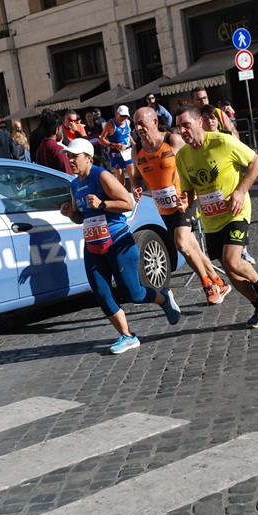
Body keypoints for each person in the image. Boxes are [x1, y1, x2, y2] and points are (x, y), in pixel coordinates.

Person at [60, 138, 181, 354]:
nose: (70, 160)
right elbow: (81, 218)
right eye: (68, 156)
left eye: (74, 156)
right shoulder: (74, 184)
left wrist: (103, 204)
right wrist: (71, 214)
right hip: (93, 244)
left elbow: (127, 202)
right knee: (101, 292)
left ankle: (163, 297)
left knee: (133, 293)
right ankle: (127, 336)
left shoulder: (102, 176)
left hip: (118, 241)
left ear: (88, 157)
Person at [175, 105, 258, 329]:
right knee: (230, 272)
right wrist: (185, 200)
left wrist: (241, 191)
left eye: (186, 124)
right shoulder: (182, 156)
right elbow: (190, 191)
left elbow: (256, 162)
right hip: (212, 219)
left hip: (236, 211)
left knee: (232, 260)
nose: (182, 130)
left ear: (199, 122)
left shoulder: (222, 142)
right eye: (179, 126)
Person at [131, 106, 231, 305]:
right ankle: (219, 282)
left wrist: (191, 193)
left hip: (184, 201)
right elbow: (135, 176)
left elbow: (190, 162)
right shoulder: (137, 149)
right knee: (192, 246)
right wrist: (136, 187)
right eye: (135, 124)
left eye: (142, 122)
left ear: (154, 122)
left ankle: (208, 285)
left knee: (182, 243)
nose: (138, 127)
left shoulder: (172, 140)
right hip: (163, 207)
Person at [200, 104, 256, 265]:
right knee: (225, 260)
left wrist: (241, 190)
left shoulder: (227, 138)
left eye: (213, 118)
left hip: (234, 198)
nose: (210, 121)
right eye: (206, 119)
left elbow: (252, 161)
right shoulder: (195, 146)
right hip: (213, 207)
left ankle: (244, 251)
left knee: (232, 257)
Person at [99, 105, 136, 187]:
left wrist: (134, 144)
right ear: (117, 114)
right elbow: (101, 140)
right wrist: (115, 145)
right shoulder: (110, 124)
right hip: (116, 153)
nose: (123, 118)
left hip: (127, 152)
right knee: (121, 181)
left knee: (133, 178)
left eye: (125, 116)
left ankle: (136, 197)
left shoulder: (128, 122)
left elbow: (127, 135)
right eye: (122, 116)